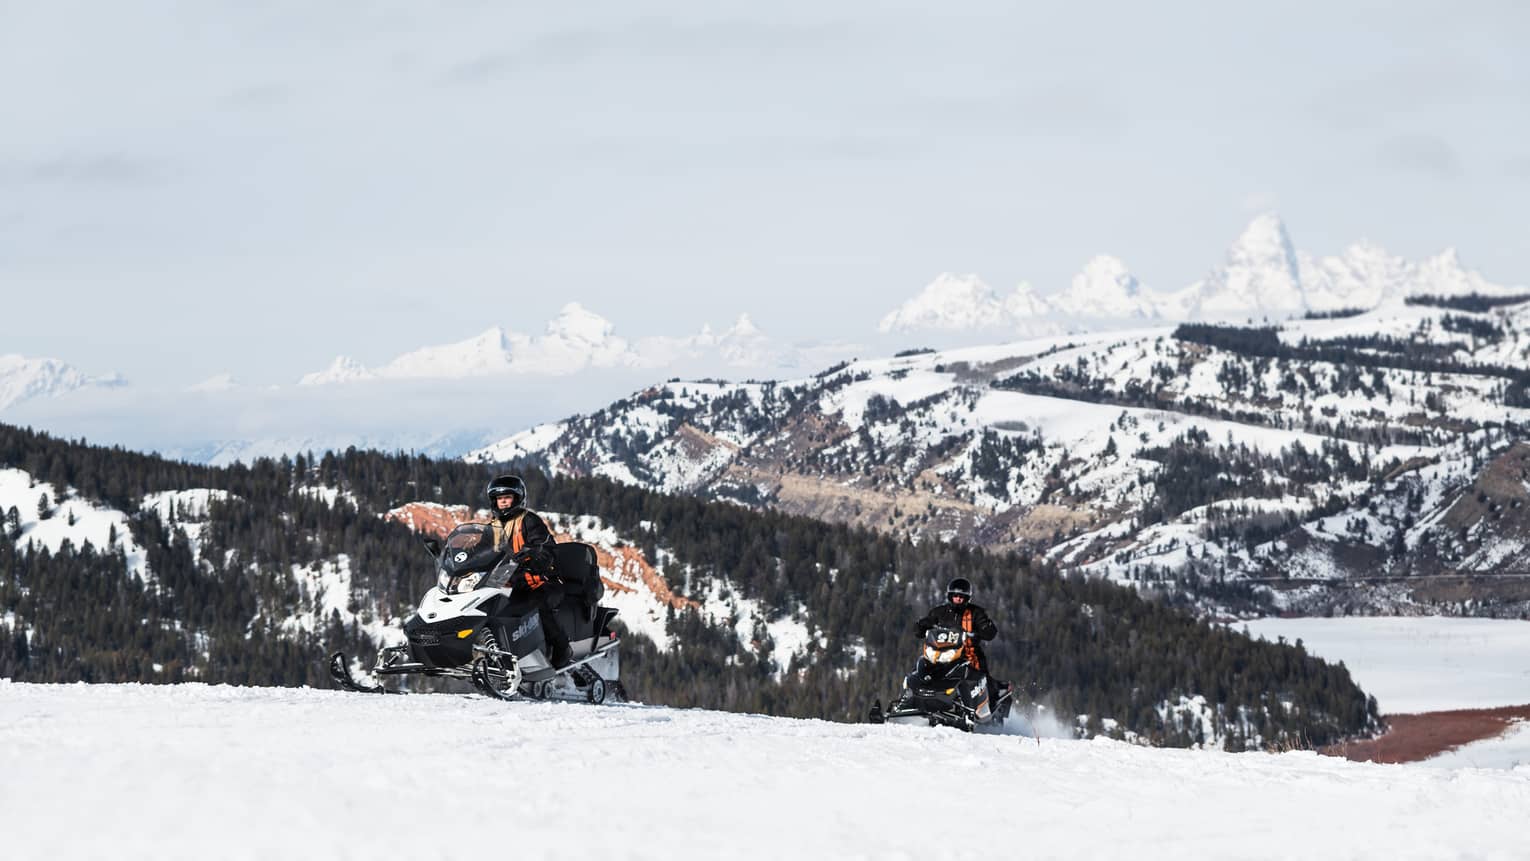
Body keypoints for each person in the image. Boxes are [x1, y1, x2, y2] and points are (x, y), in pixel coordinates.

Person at [485, 474, 571, 667]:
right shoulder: (492, 527)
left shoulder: (529, 521)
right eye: (499, 499)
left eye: (507, 497)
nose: (503, 502)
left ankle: (561, 648)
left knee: (536, 605)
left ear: (517, 498)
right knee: (491, 609)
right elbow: (482, 551)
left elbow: (546, 548)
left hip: (541, 581)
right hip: (510, 582)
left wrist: (534, 558)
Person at [915, 577, 1003, 705]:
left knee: (981, 677)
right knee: (920, 667)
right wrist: (920, 627)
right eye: (955, 595)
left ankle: (987, 704)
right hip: (941, 653)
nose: (958, 599)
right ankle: (906, 699)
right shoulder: (940, 612)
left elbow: (990, 631)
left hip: (968, 654)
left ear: (967, 598)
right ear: (950, 596)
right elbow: (927, 622)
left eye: (962, 596)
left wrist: (984, 629)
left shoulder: (975, 613)